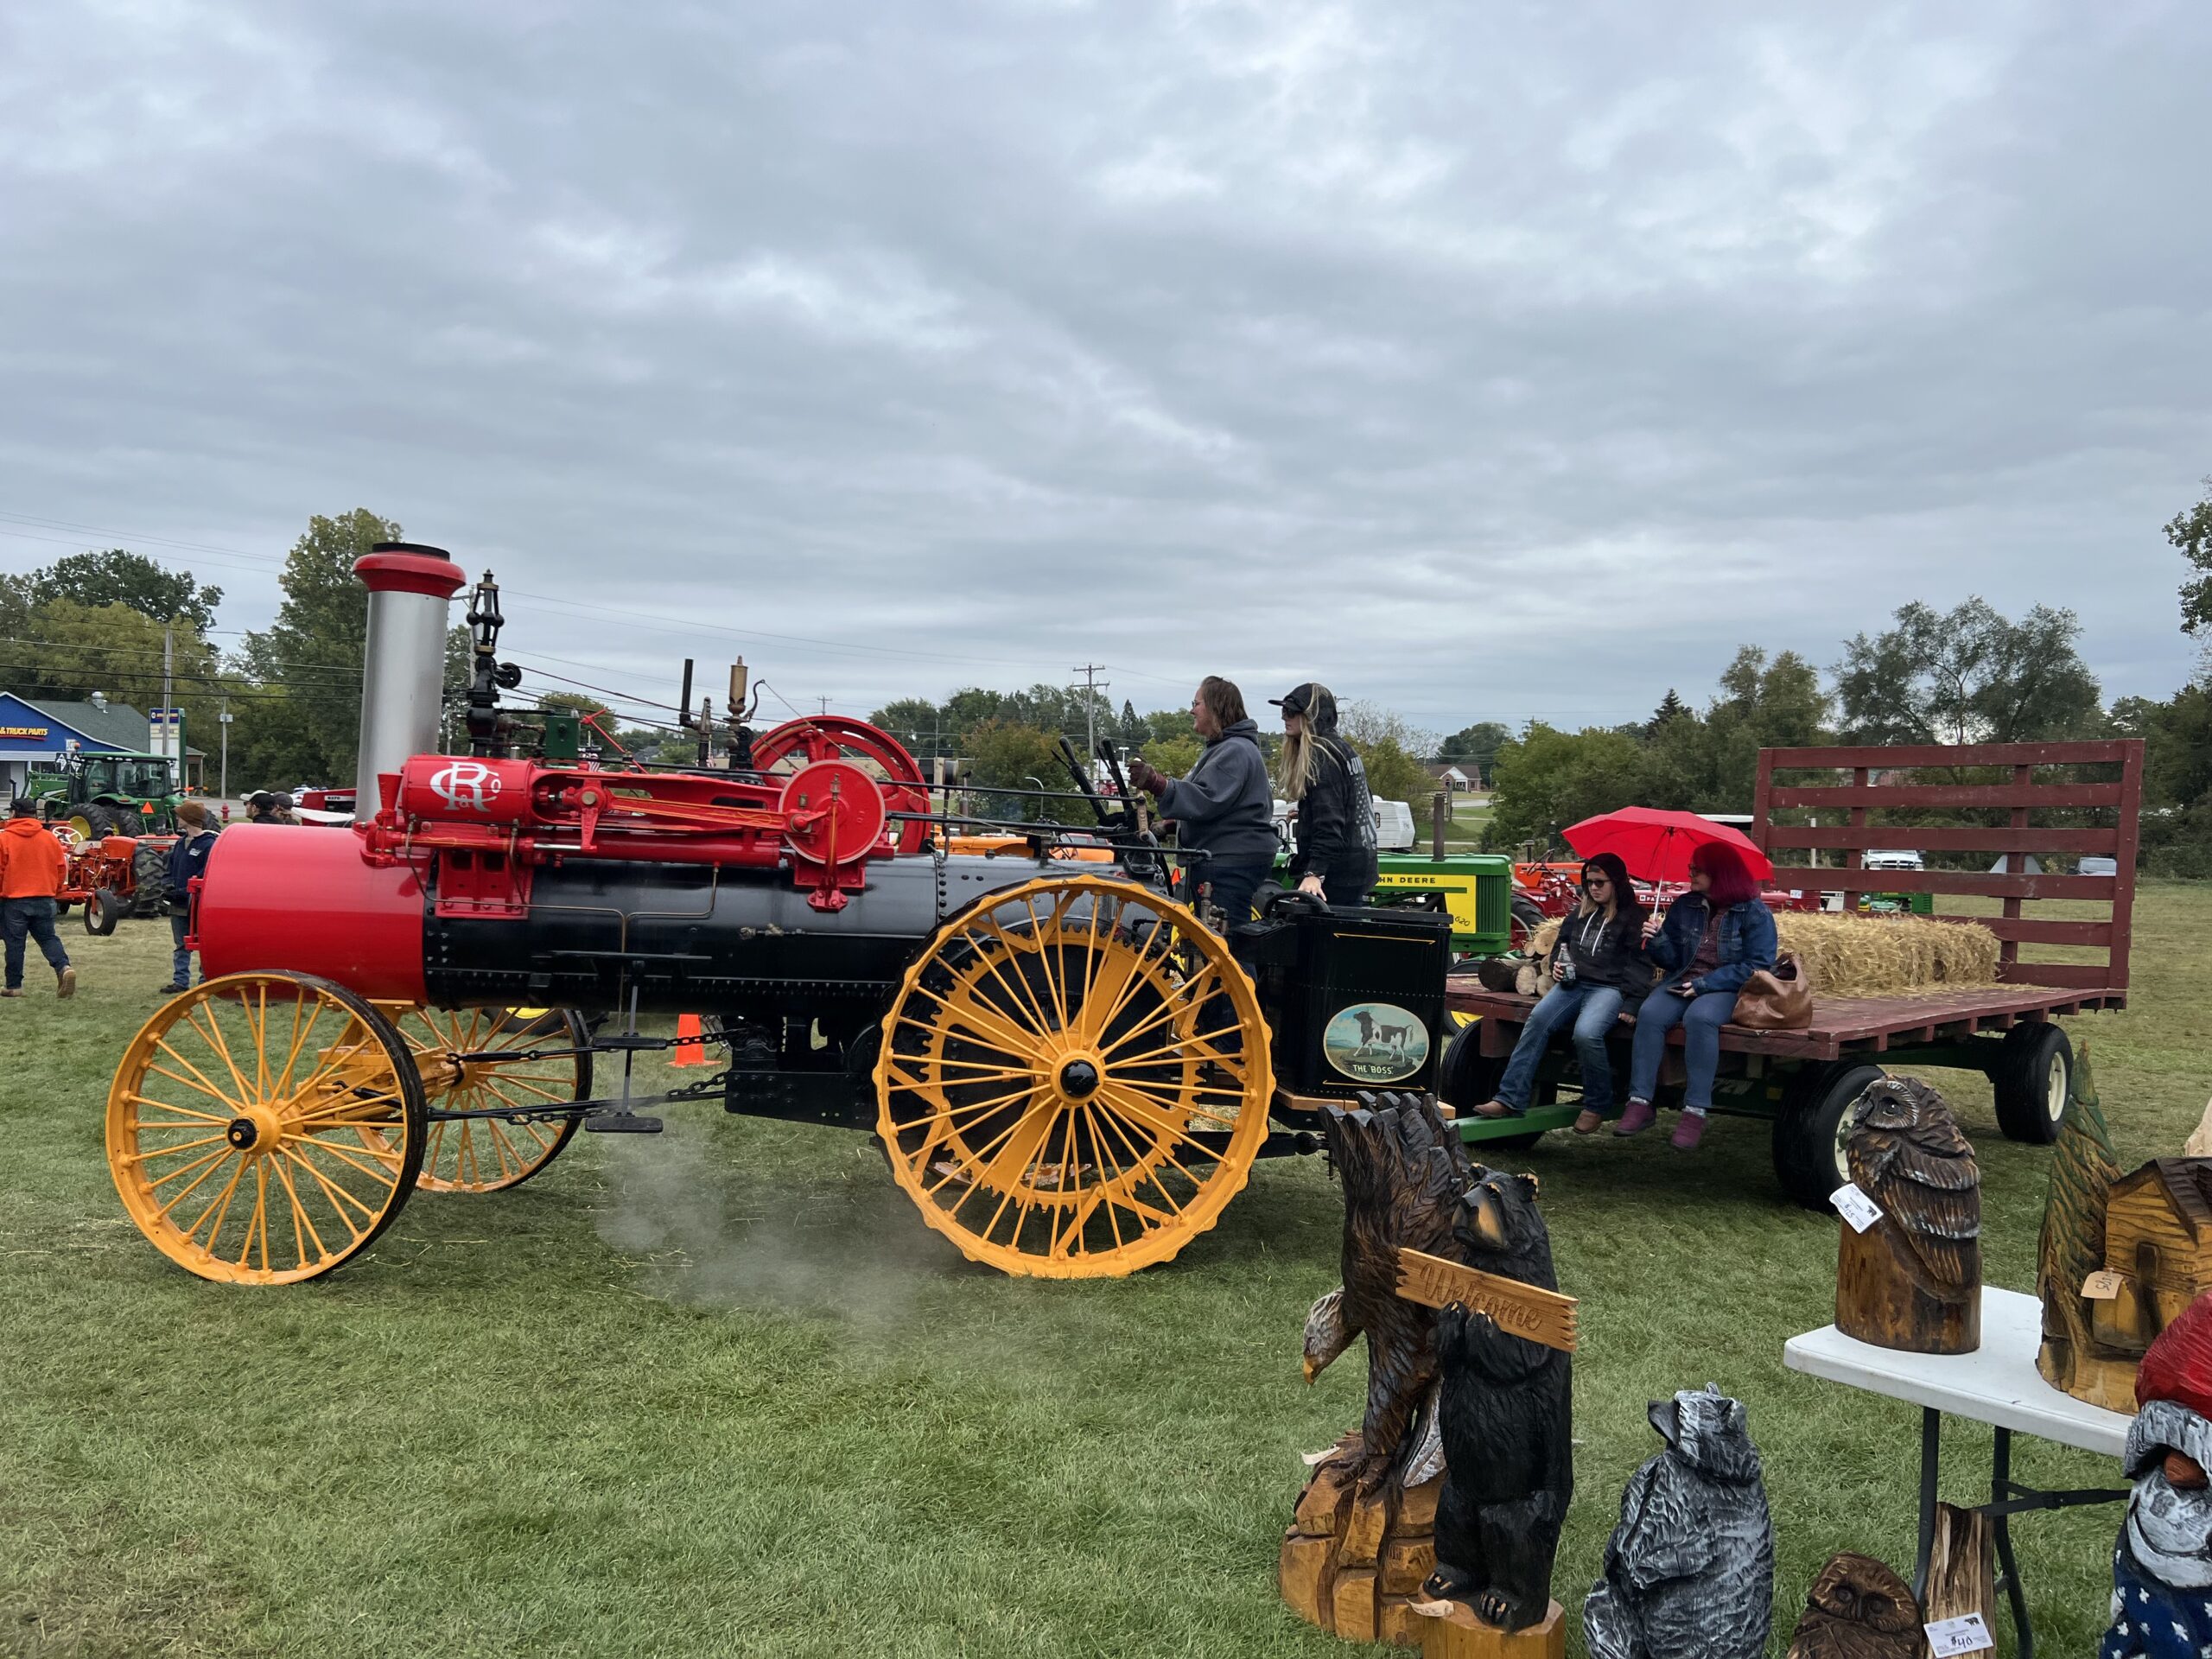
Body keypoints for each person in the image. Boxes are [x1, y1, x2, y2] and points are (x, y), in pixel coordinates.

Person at [1614, 841, 1777, 1151]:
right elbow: (1673, 961)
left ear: (1720, 873)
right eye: (1691, 869)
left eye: (1697, 870)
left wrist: (1705, 985)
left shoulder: (1754, 912)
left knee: (1700, 1018)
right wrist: (1658, 940)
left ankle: (1695, 1111)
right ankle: (1639, 1102)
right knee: (1650, 1013)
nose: (1691, 874)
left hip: (1728, 986)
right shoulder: (1685, 905)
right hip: (1683, 979)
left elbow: (1758, 966)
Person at [1471, 852, 1645, 1131]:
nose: (1594, 888)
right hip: (1573, 985)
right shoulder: (1580, 913)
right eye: (1589, 882)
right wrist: (1557, 968)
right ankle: (1510, 1097)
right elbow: (1560, 947)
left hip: (1610, 989)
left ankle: (1597, 1103)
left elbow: (1641, 964)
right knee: (1538, 1020)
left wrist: (1633, 1003)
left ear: (1618, 882)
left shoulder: (1634, 917)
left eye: (1601, 882)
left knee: (1587, 1033)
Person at [1125, 677, 1278, 929]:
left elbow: (1206, 798)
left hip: (1228, 861)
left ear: (1216, 707)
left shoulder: (1235, 750)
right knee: (1215, 941)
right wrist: (1171, 825)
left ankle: (1238, 970)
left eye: (1196, 703)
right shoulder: (1226, 748)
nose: (1191, 710)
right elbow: (1224, 807)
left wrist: (1158, 784)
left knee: (1226, 944)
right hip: (1224, 857)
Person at [1271, 682, 1377, 906]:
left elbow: (1330, 822)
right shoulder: (1343, 749)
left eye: (1291, 711)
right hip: (1356, 870)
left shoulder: (1320, 757)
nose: (1284, 717)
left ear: (1312, 716)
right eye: (1283, 711)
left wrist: (1314, 873)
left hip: (1334, 877)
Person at [0, 798, 76, 1000]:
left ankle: (14, 986)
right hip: (45, 897)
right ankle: (64, 967)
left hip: (14, 900)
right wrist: (56, 890)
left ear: (14, 814)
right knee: (48, 938)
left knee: (15, 943)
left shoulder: (4, 839)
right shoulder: (50, 838)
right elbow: (61, 868)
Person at [160, 801, 219, 995]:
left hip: (198, 904)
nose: (177, 819)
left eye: (180, 816)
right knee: (180, 944)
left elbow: (206, 874)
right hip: (178, 903)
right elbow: (170, 868)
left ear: (189, 819)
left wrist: (185, 891)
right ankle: (180, 981)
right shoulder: (180, 843)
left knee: (203, 943)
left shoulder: (208, 844)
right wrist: (167, 885)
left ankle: (204, 981)